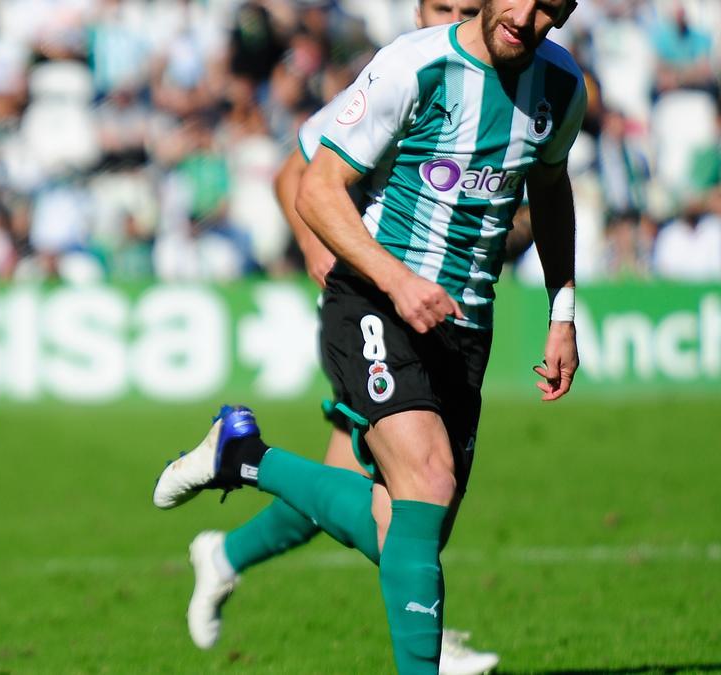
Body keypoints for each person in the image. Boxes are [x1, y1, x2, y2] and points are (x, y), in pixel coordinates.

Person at [154, 0, 583, 673]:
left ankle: (241, 466)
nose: (527, 16)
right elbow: (312, 182)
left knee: (405, 525)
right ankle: (429, 651)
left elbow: (552, 189)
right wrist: (377, 272)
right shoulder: (410, 66)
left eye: (549, 7)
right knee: (429, 480)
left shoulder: (561, 86)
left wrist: (563, 311)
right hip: (376, 299)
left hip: (464, 321)